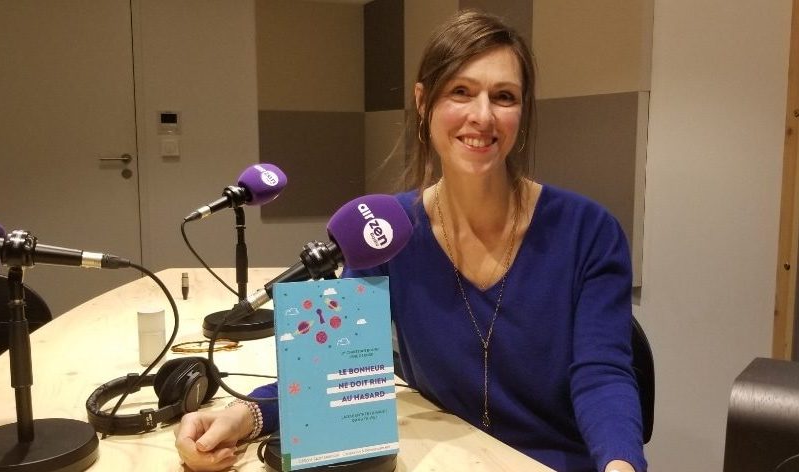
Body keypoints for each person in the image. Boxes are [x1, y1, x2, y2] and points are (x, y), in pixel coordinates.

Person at [175, 9, 647, 472]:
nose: (482, 116)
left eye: (504, 96)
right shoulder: (384, 229)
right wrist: (245, 416)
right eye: (461, 91)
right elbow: (339, 366)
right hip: (444, 456)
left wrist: (621, 463)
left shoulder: (588, 231)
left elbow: (602, 374)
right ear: (423, 102)